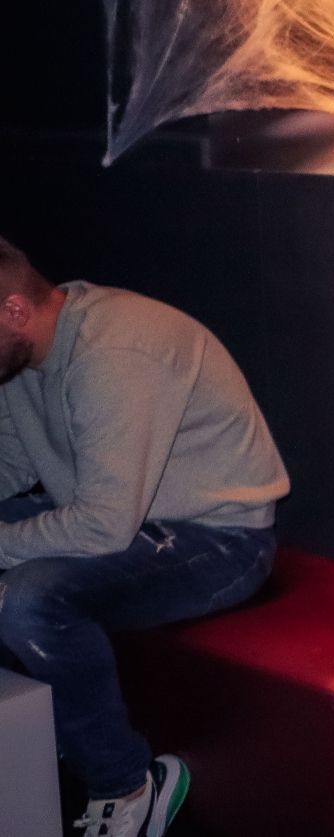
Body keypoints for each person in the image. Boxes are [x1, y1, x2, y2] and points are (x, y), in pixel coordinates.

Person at [0, 237, 289, 837]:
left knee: (29, 599)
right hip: (124, 518)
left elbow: (103, 524)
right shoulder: (20, 361)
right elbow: (10, 466)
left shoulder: (115, 350)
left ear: (15, 310)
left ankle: (128, 788)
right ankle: (46, 735)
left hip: (219, 539)